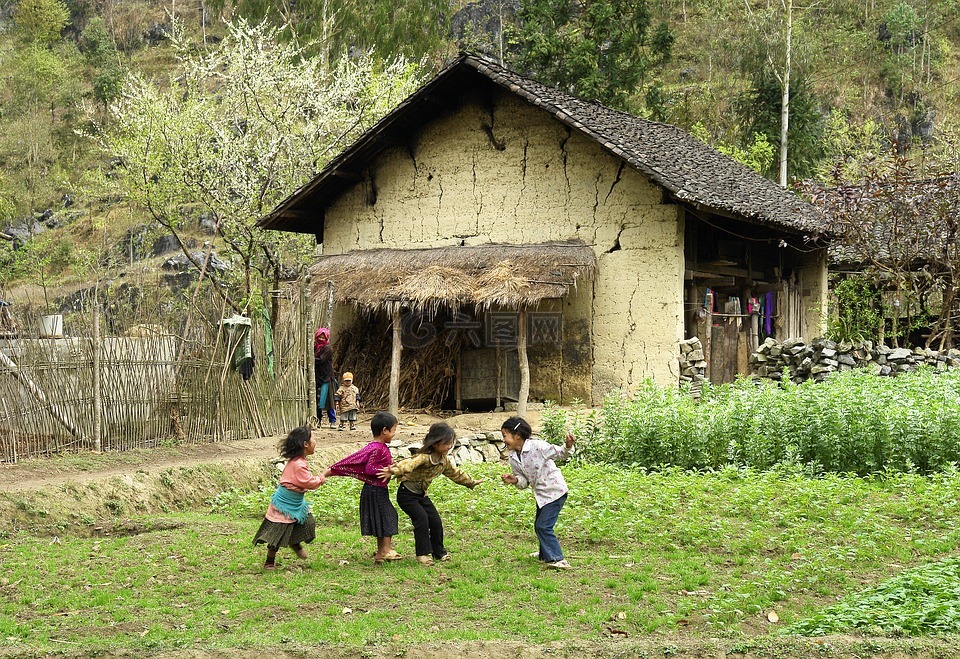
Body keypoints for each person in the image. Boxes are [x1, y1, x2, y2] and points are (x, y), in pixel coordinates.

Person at [377, 422, 483, 566]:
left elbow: (455, 474)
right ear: (435, 442)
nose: (449, 446)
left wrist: (470, 482)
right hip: (407, 495)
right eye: (446, 443)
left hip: (422, 495)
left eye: (451, 443)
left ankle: (439, 552)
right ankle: (423, 554)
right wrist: (395, 470)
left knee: (435, 521)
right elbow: (409, 463)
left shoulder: (443, 461)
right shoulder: (424, 457)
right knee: (421, 519)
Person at [322, 411, 402, 565]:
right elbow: (370, 468)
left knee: (382, 519)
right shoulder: (378, 448)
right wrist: (389, 469)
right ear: (384, 430)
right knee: (389, 516)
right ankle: (385, 550)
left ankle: (380, 554)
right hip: (375, 490)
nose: (394, 434)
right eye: (393, 431)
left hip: (375, 490)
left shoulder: (376, 447)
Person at [499, 416, 575, 570]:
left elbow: (560, 453)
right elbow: (524, 480)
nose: (504, 440)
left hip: (554, 491)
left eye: (505, 436)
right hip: (541, 494)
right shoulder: (513, 457)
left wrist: (567, 446)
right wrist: (514, 480)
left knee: (543, 526)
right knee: (540, 524)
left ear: (517, 436)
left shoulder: (537, 447)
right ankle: (544, 553)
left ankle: (557, 558)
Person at [253, 426, 326, 570]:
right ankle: (269, 561)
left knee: (306, 522)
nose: (315, 441)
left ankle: (294, 542)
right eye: (313, 438)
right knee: (277, 532)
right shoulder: (298, 465)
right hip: (284, 504)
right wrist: (321, 478)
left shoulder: (300, 461)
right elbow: (309, 482)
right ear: (305, 444)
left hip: (296, 502)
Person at [314, 327, 337, 429]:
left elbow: (320, 360)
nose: (322, 339)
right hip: (317, 377)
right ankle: (318, 420)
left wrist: (310, 358)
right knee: (317, 400)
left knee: (328, 400)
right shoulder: (315, 348)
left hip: (326, 377)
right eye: (320, 337)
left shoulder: (327, 349)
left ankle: (332, 421)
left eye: (324, 337)